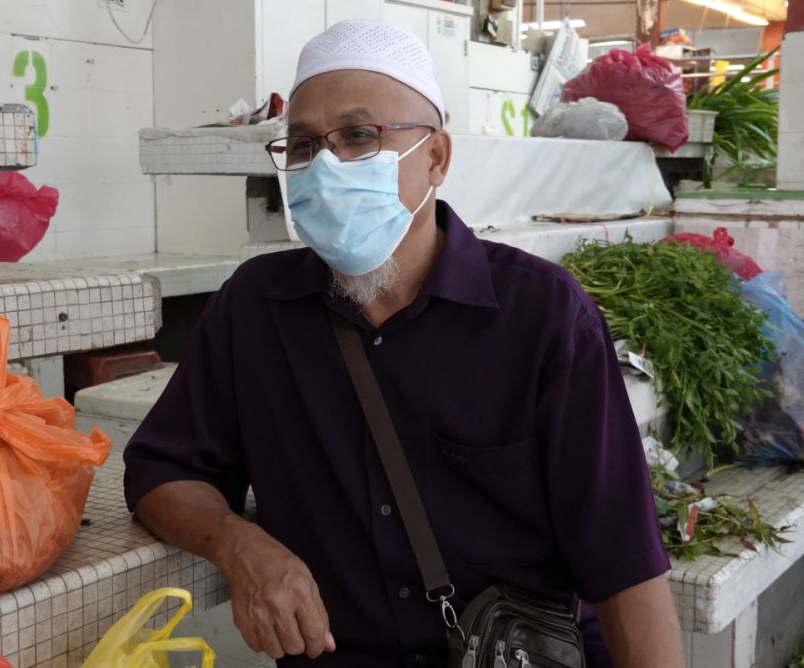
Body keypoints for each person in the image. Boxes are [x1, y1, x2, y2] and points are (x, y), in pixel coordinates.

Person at [124, 19, 685, 668]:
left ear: (437, 158)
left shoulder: (542, 317)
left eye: (360, 136)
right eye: (304, 146)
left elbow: (624, 563)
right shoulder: (254, 310)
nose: (327, 165)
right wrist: (238, 543)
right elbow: (163, 470)